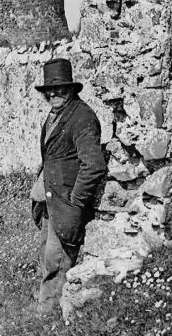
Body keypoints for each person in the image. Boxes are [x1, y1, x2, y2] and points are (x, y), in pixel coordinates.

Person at [30, 57, 107, 315]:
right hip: (51, 203)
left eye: (60, 89)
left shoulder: (82, 117)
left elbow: (93, 165)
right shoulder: (56, 116)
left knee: (57, 260)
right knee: (47, 256)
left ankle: (49, 315)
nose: (53, 94)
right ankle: (45, 309)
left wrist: (75, 201)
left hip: (65, 205)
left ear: (72, 89)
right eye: (48, 90)